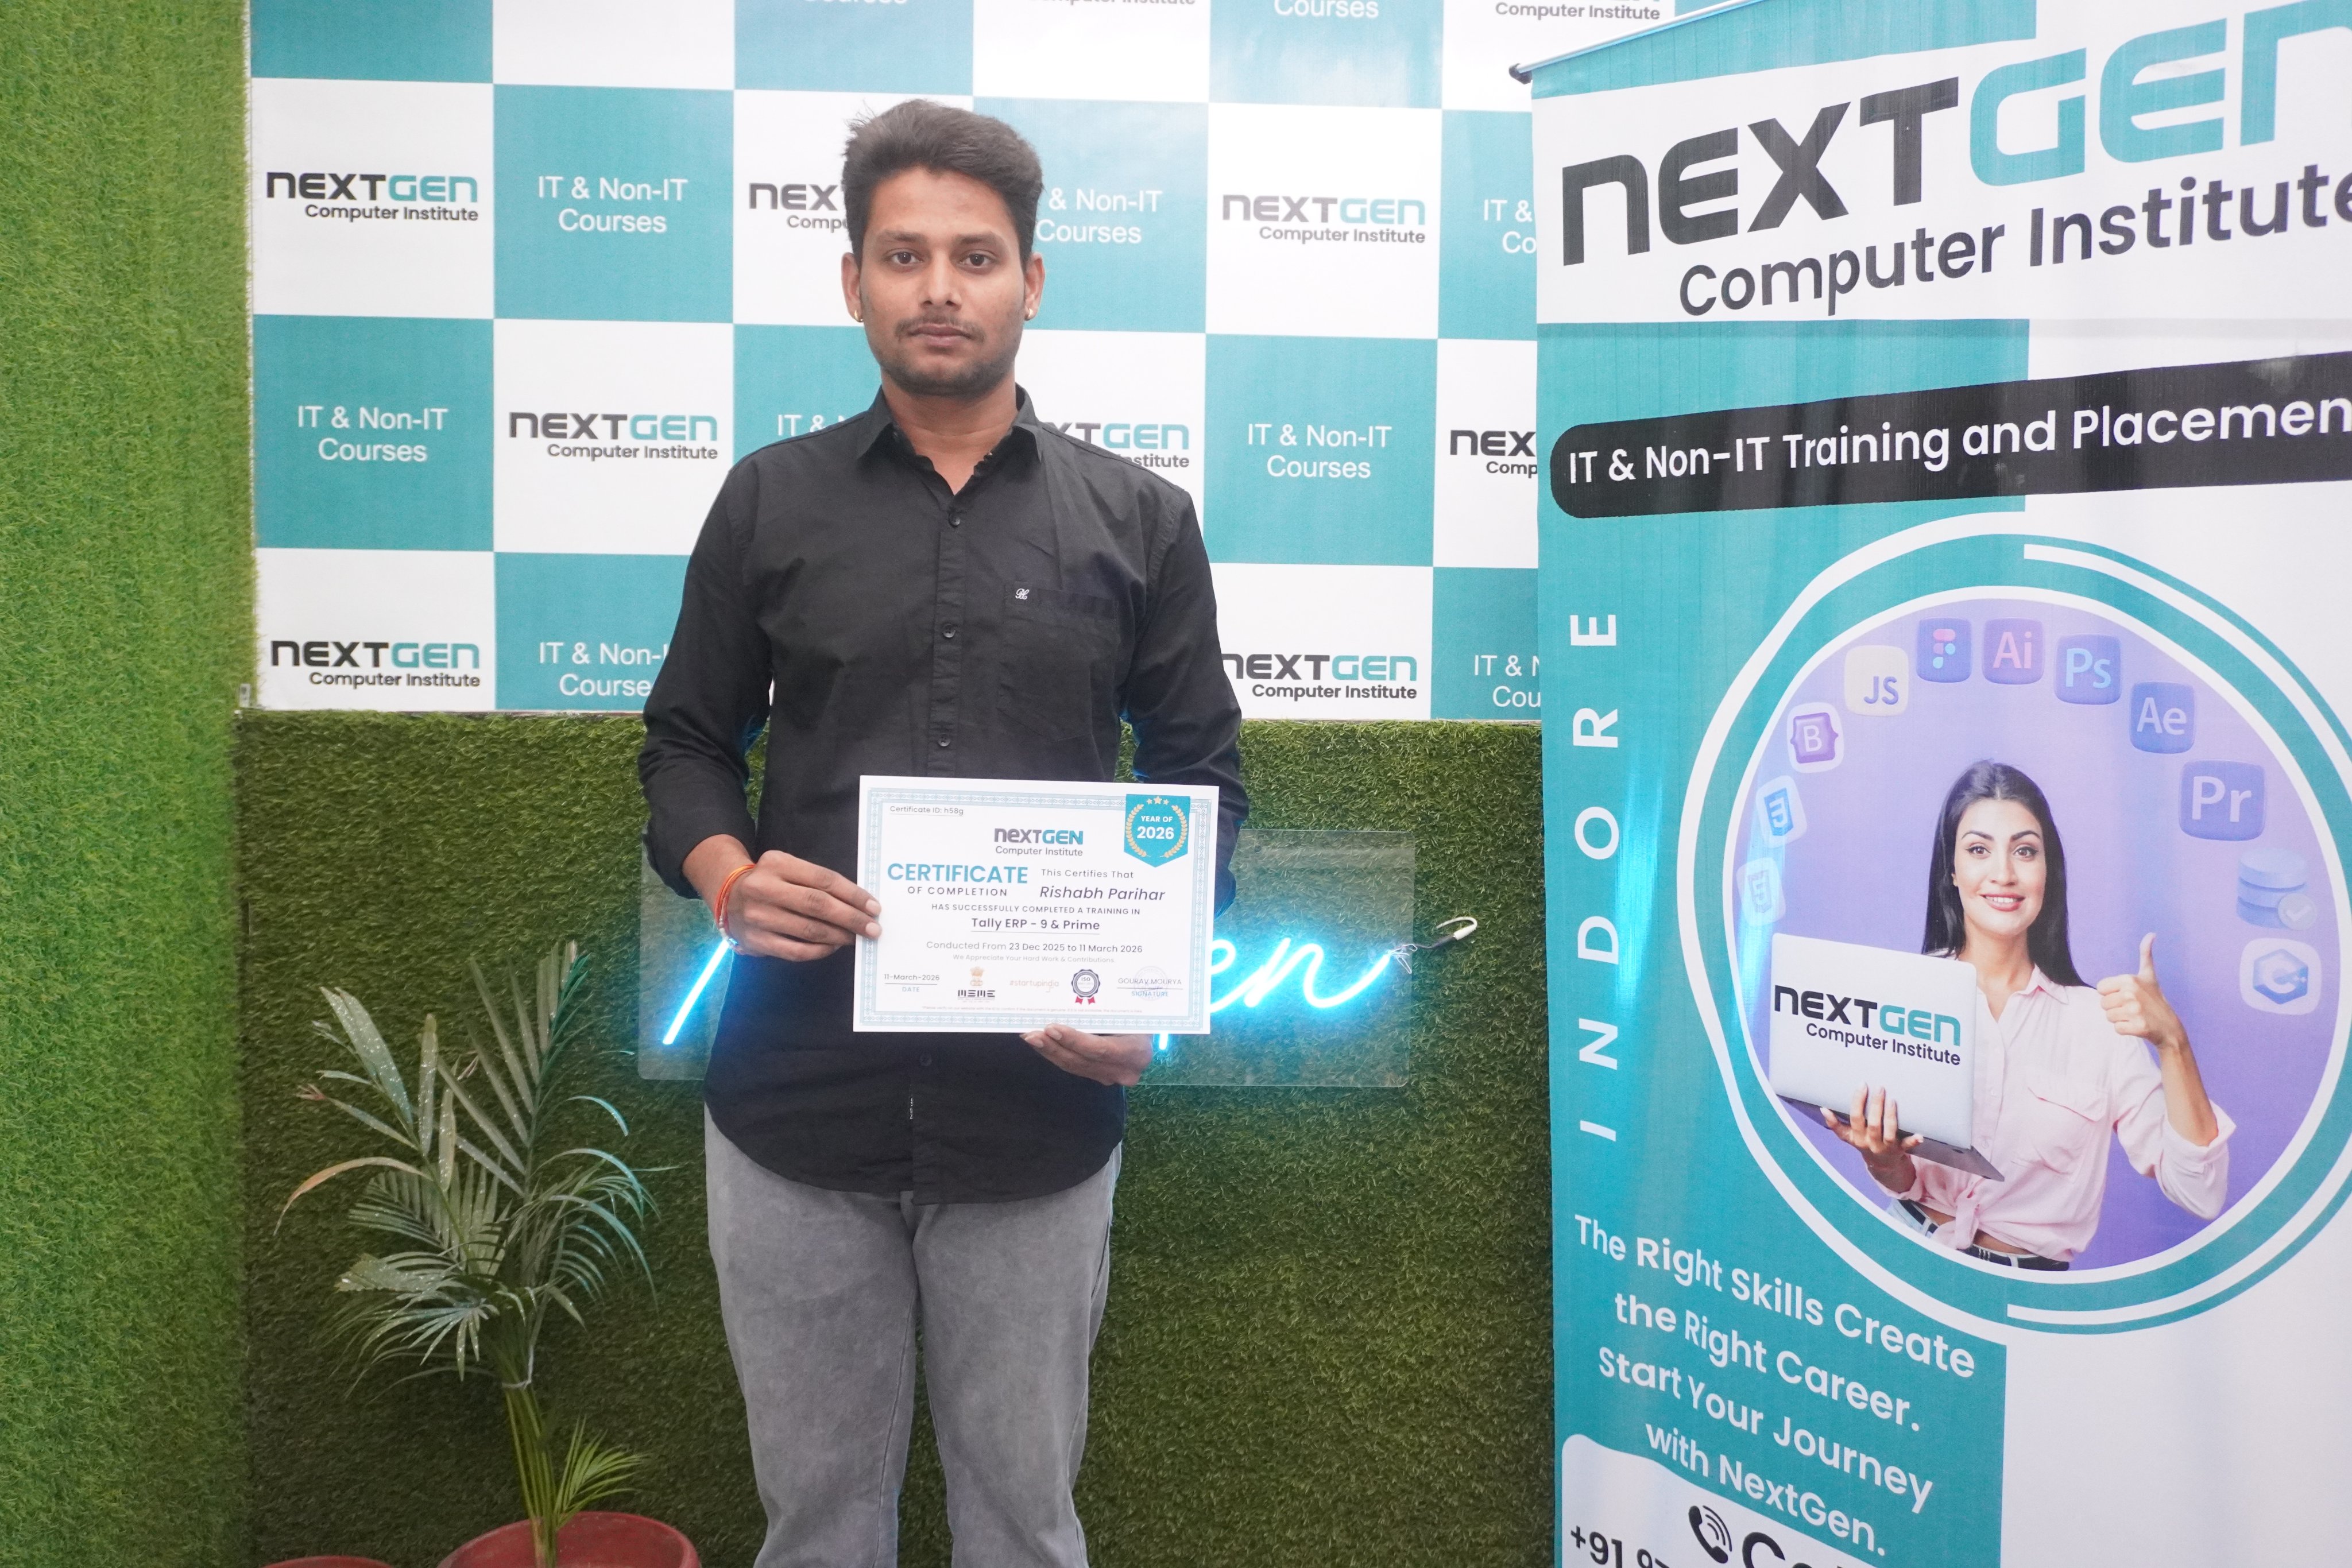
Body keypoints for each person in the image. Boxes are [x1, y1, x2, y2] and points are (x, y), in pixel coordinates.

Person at [637, 100, 1245, 1567]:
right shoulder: (768, 501)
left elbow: (1202, 777)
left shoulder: (1141, 519)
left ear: (1030, 280)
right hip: (794, 1100)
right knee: (817, 1520)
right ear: (852, 281)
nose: (938, 287)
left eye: (974, 256)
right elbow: (685, 744)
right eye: (902, 255)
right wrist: (727, 877)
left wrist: (1150, 988)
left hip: (1037, 1113)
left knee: (1025, 1521)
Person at [1825, 760, 2230, 1269]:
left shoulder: (2100, 1026)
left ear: (2047, 871)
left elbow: (2200, 1192)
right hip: (1904, 1257)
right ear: (1952, 870)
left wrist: (2174, 1042)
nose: (2004, 873)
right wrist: (1881, 1158)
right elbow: (1903, 1179)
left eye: (2024, 850)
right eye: (1979, 849)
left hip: (2028, 1300)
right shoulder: (1906, 993)